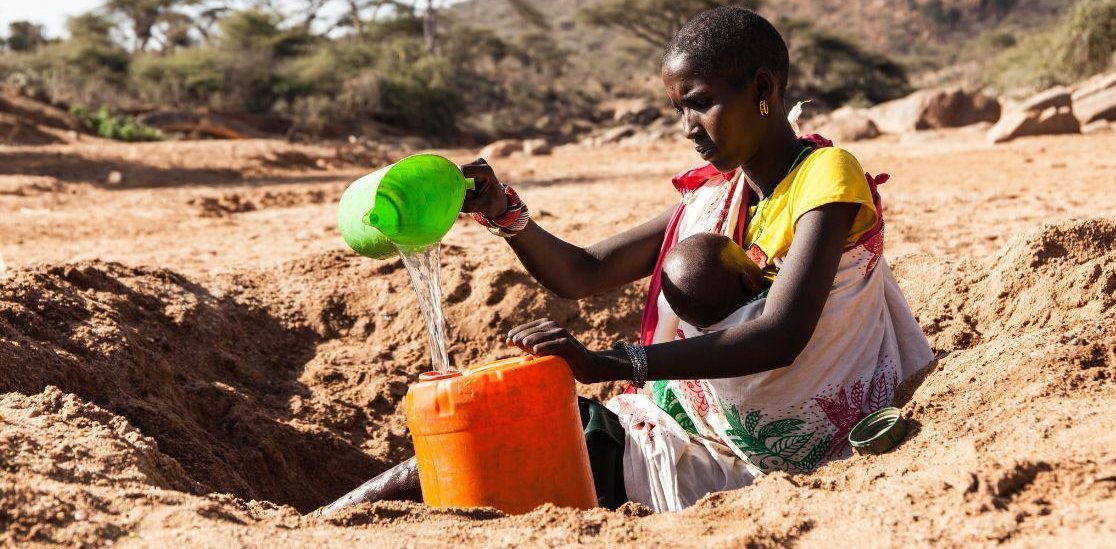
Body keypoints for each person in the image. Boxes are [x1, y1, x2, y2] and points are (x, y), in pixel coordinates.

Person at [316, 6, 933, 515]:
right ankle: (324, 522)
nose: (688, 126)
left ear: (764, 90)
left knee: (535, 436)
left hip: (803, 447)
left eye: (699, 102)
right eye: (679, 109)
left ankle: (322, 525)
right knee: (497, 437)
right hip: (691, 431)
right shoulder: (720, 198)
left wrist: (615, 362)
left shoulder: (827, 175)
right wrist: (504, 211)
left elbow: (782, 336)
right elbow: (582, 273)